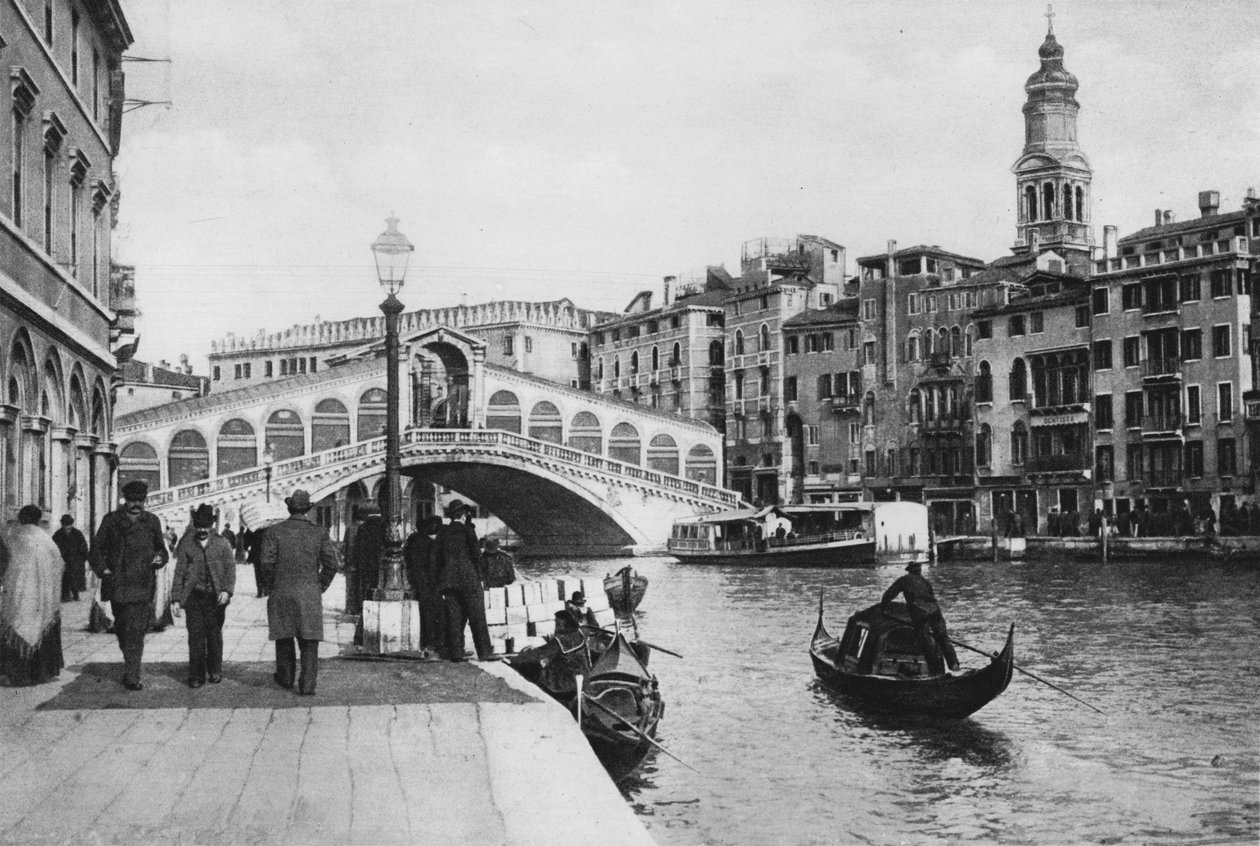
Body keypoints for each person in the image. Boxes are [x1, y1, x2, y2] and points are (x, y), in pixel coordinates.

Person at [90, 480, 169, 691]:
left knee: (136, 632)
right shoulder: (111, 520)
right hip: (119, 585)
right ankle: (130, 663)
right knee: (123, 630)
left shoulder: (152, 521)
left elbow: (162, 550)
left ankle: (133, 675)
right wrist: (104, 570)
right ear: (125, 500)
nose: (136, 504)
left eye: (140, 500)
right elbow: (96, 550)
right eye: (132, 500)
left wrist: (160, 558)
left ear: (144, 500)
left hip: (142, 586)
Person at [261, 489, 339, 695]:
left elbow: (266, 563)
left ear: (289, 508)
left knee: (284, 636)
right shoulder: (319, 532)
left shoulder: (274, 531)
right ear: (308, 510)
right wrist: (319, 586)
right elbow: (332, 564)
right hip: (309, 593)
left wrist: (272, 585)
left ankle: (286, 678)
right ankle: (307, 685)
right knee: (309, 641)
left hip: (282, 591)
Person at [170, 504, 236, 688]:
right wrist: (175, 599)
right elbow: (179, 572)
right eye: (199, 526)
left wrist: (226, 591)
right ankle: (196, 675)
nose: (202, 530)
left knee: (214, 635)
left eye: (205, 527)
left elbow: (230, 570)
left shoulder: (222, 543)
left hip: (216, 598)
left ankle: (215, 669)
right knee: (196, 636)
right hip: (194, 597)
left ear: (212, 525)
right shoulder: (187, 544)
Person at [0, 506, 64, 685]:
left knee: (17, 624)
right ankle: (41, 672)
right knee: (39, 626)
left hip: (18, 595)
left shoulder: (12, 537)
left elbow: (4, 564)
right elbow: (59, 565)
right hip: (42, 599)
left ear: (20, 518)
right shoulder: (47, 540)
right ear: (38, 520)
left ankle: (16, 673)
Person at [432, 499, 494, 662]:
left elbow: (435, 559)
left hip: (449, 582)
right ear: (464, 515)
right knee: (477, 616)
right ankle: (484, 652)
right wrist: (481, 578)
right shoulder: (468, 531)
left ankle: (456, 653)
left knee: (454, 617)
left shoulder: (442, 533)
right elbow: (476, 556)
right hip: (469, 580)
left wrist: (440, 581)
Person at [880, 560, 960, 676]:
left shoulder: (904, 580)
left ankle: (934, 672)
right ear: (919, 571)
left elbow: (889, 594)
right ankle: (955, 666)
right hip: (935, 611)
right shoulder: (925, 582)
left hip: (920, 613)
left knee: (925, 641)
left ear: (909, 571)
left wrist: (883, 606)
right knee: (943, 638)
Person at [403, 515, 446, 654]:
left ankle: (425, 642)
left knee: (423, 611)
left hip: (416, 579)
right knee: (433, 612)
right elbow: (434, 564)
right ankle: (432, 642)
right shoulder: (430, 543)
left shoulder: (412, 540)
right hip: (429, 581)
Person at [53, 514, 89, 602]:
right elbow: (54, 549)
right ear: (62, 525)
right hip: (63, 562)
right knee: (65, 579)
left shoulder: (77, 534)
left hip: (75, 562)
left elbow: (84, 548)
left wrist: (81, 560)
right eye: (66, 527)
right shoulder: (58, 534)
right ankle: (65, 596)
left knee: (74, 579)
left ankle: (75, 595)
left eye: (69, 527)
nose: (68, 529)